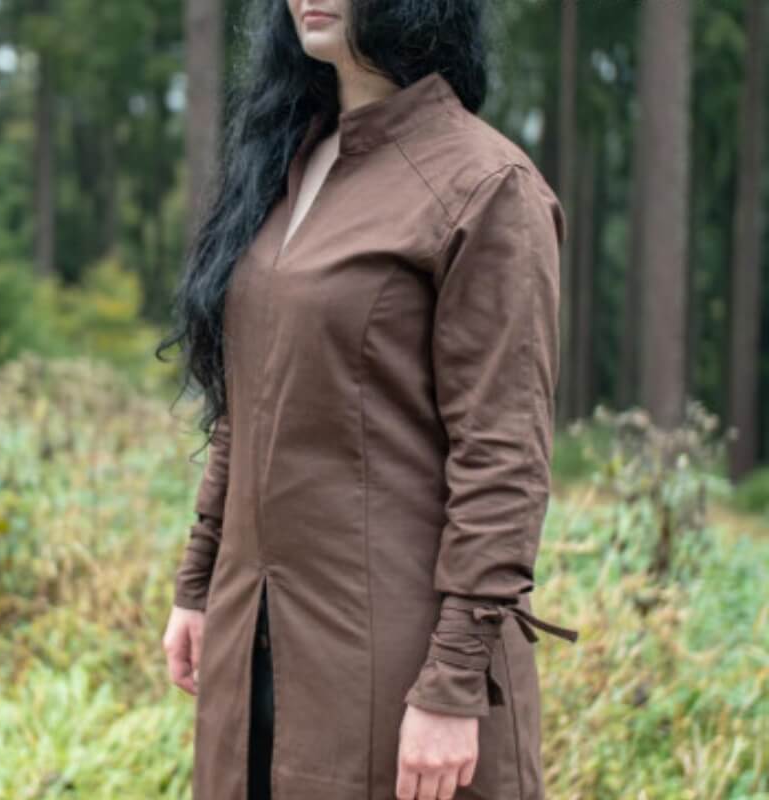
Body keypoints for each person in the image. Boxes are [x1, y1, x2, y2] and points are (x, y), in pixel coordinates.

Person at [157, 1, 579, 799]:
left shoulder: (485, 185)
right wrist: (200, 583)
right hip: (256, 641)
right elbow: (248, 403)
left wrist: (453, 683)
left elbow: (503, 459)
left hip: (398, 666)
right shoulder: (286, 161)